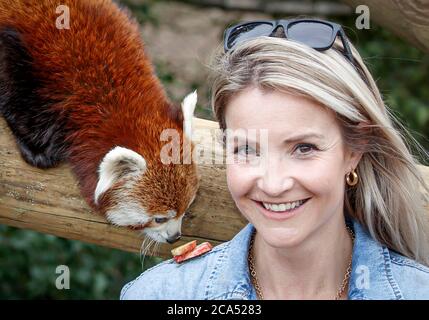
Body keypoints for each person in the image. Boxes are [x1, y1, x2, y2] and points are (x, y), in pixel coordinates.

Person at [121, 18, 429, 300]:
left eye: (304, 148)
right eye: (246, 150)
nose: (273, 184)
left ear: (354, 151)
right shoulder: (162, 295)